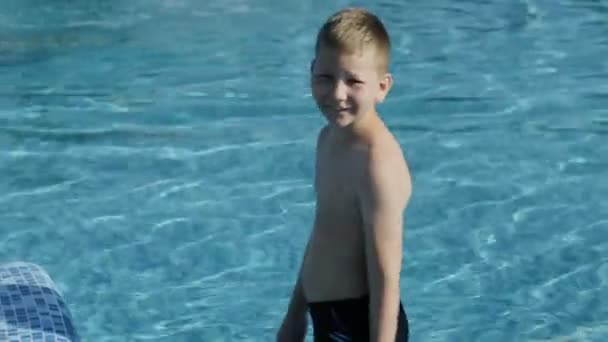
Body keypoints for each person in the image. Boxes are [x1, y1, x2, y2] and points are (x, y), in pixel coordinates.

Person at [277, 6, 412, 342]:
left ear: (382, 87)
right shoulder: (329, 139)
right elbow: (324, 233)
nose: (337, 94)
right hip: (325, 316)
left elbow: (385, 277)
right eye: (325, 77)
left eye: (353, 81)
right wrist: (295, 316)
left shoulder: (376, 163)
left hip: (361, 324)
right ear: (311, 72)